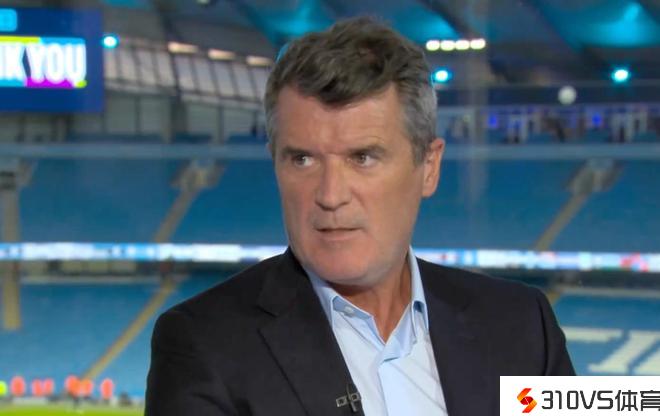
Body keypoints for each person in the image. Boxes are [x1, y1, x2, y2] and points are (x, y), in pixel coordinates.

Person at [145, 17, 575, 416]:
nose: (330, 195)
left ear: (429, 167)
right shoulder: (202, 346)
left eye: (363, 157)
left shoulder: (523, 325)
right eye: (302, 159)